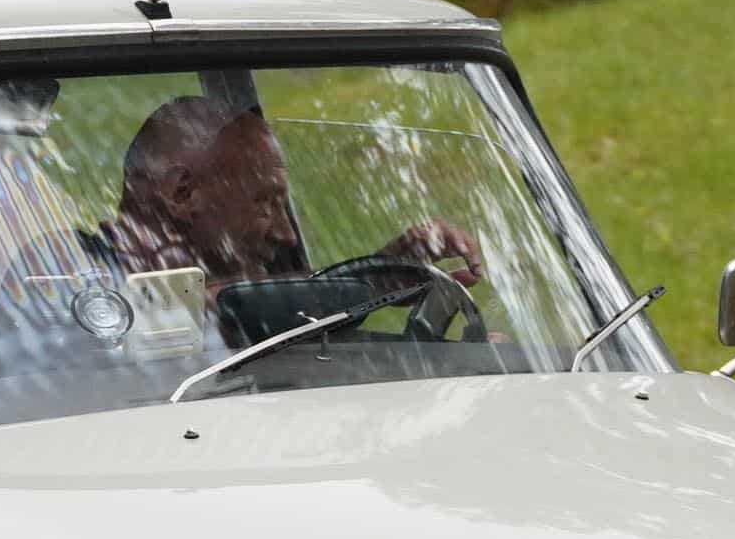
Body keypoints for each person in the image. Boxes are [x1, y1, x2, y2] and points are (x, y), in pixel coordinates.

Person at [110, 94, 479, 354]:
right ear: (182, 193)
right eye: (265, 203)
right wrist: (359, 288)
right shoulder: (83, 287)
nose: (286, 234)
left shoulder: (239, 336)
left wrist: (378, 276)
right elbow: (165, 315)